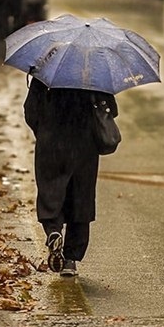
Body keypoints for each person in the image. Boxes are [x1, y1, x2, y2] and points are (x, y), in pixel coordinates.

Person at [23, 75, 118, 277]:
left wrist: (44, 131)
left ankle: (53, 231)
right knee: (80, 199)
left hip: (51, 141)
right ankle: (70, 260)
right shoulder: (96, 74)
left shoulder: (46, 73)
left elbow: (31, 111)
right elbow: (111, 110)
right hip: (85, 145)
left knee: (50, 192)